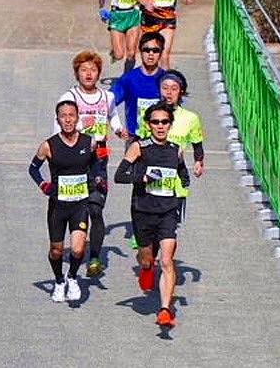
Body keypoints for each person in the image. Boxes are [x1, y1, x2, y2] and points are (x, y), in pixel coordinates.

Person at [114, 101, 189, 326]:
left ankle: (165, 310)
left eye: (164, 122)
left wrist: (181, 193)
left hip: (167, 212)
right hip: (142, 211)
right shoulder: (139, 147)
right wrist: (142, 178)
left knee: (167, 260)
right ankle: (146, 267)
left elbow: (183, 175)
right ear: (148, 124)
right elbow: (119, 176)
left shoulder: (176, 150)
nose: (160, 126)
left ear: (170, 125)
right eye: (155, 122)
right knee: (147, 258)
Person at [54, 52, 128, 277]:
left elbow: (113, 114)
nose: (88, 74)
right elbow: (57, 125)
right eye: (84, 70)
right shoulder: (69, 96)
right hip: (75, 159)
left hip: (99, 158)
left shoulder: (107, 96)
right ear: (76, 73)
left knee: (96, 208)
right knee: (76, 205)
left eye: (93, 70)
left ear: (99, 73)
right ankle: (75, 243)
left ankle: (95, 257)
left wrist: (117, 129)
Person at [29, 100, 107, 302]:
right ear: (58, 119)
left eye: (71, 115)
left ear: (77, 117)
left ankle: (72, 277)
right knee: (56, 250)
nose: (68, 119)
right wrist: (43, 185)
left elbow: (96, 164)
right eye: (63, 116)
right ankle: (58, 281)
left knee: (78, 248)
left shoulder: (88, 142)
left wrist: (98, 178)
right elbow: (33, 168)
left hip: (80, 204)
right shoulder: (48, 145)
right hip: (58, 206)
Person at [112, 32, 167, 142]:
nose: (150, 54)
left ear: (161, 53)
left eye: (155, 50)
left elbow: (177, 110)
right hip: (135, 140)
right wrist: (117, 128)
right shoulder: (128, 79)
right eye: (146, 50)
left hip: (161, 142)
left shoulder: (166, 80)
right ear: (140, 51)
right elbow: (108, 102)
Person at [159, 70, 204, 180]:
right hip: (151, 174)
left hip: (177, 173)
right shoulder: (148, 114)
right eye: (164, 88)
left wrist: (198, 163)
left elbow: (197, 145)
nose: (169, 92)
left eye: (174, 89)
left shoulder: (191, 118)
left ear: (181, 92)